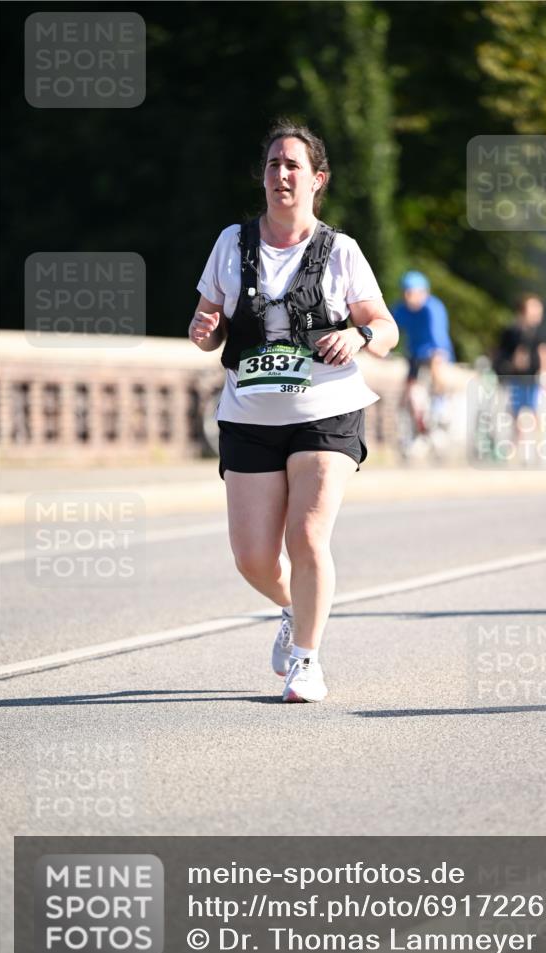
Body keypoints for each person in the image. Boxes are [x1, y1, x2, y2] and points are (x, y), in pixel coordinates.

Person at [189, 120, 398, 704]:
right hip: (250, 417)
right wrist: (203, 328)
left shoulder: (341, 251)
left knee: (306, 536)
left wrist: (358, 336)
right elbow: (206, 328)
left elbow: (386, 328)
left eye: (293, 166)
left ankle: (306, 660)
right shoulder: (232, 244)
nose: (281, 174)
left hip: (325, 412)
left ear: (317, 179)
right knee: (253, 557)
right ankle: (291, 607)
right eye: (273, 165)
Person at [391, 271, 455, 433]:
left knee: (436, 364)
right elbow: (390, 328)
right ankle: (416, 422)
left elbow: (438, 336)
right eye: (405, 292)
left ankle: (442, 404)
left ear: (423, 292)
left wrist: (436, 355)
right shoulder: (401, 309)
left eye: (411, 293)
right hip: (414, 352)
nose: (407, 297)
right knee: (409, 388)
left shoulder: (432, 308)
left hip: (435, 350)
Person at [493, 293, 546, 448]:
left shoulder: (539, 334)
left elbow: (545, 354)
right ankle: (515, 447)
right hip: (514, 379)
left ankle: (539, 447)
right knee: (516, 415)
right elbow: (499, 354)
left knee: (535, 414)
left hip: (533, 380)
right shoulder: (511, 333)